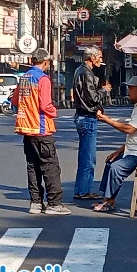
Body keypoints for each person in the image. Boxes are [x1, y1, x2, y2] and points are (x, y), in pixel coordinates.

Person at [11, 48, 71, 215]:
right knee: (50, 166)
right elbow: (45, 105)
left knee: (33, 167)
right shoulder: (43, 79)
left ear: (32, 61)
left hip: (26, 129)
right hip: (41, 129)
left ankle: (36, 203)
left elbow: (15, 100)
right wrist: (54, 111)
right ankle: (54, 204)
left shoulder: (24, 78)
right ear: (45, 63)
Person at [92, 76, 137, 212]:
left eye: (131, 88)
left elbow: (130, 129)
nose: (129, 91)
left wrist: (108, 120)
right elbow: (136, 136)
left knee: (117, 167)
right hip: (136, 150)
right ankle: (106, 197)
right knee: (111, 161)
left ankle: (109, 200)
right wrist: (119, 151)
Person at [72, 46, 112, 200]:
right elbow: (92, 98)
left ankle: (81, 189)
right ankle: (83, 190)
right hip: (87, 117)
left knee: (85, 157)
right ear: (91, 57)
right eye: (99, 57)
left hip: (83, 116)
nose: (101, 60)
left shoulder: (81, 71)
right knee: (89, 158)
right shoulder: (86, 73)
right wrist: (103, 90)